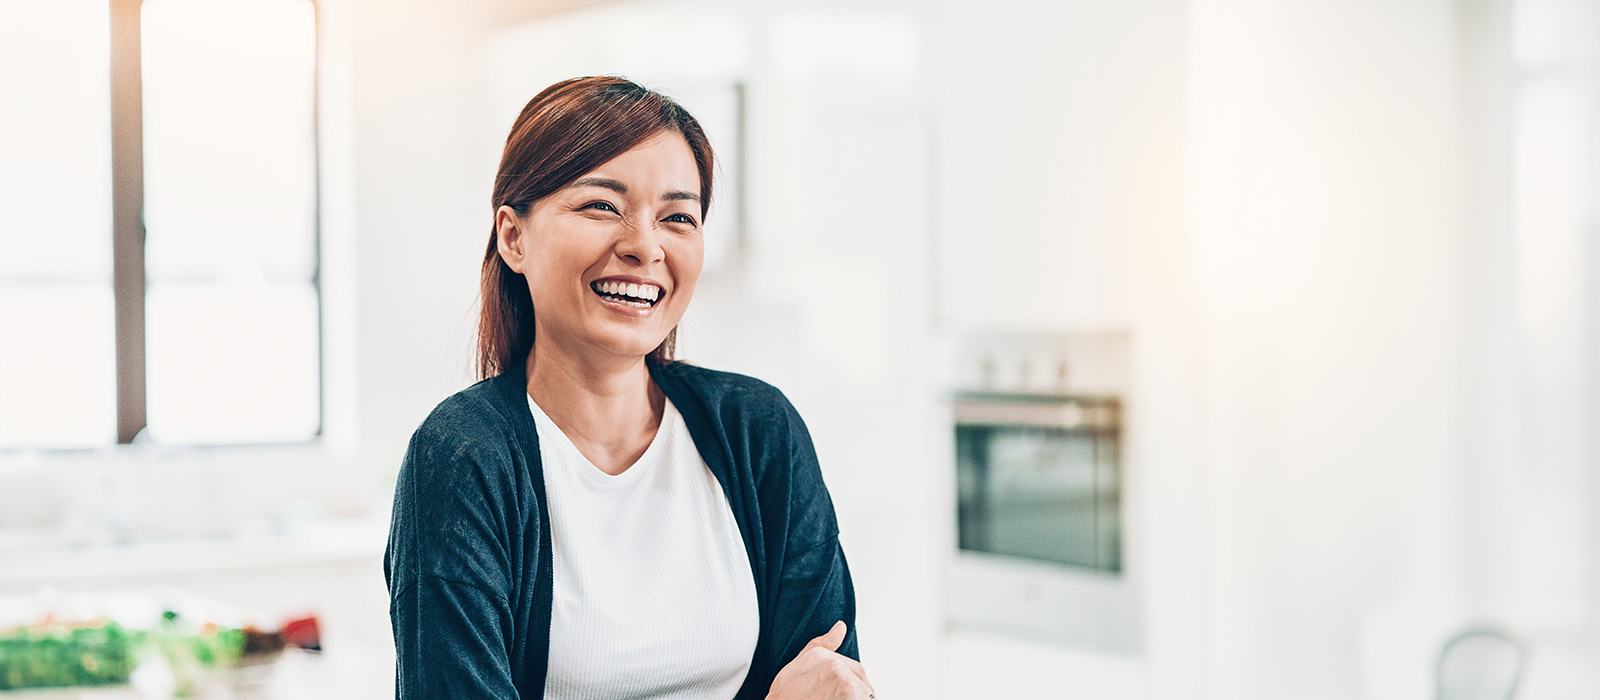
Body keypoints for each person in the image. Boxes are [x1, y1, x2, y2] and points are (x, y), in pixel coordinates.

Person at [384, 76, 874, 700]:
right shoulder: (462, 457)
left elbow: (832, 683)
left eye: (678, 217)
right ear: (513, 237)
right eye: (601, 206)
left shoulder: (758, 431)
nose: (645, 246)